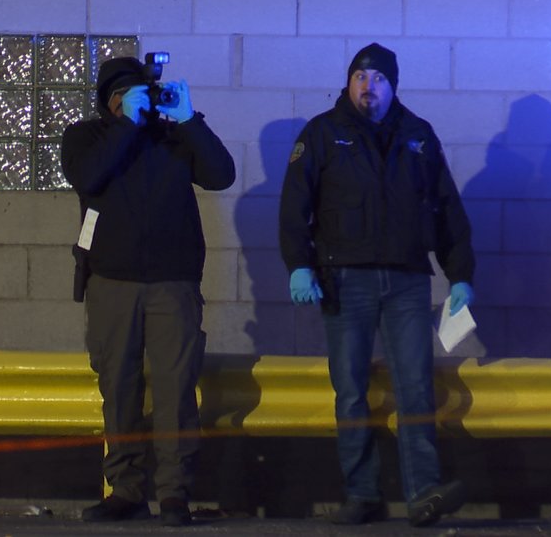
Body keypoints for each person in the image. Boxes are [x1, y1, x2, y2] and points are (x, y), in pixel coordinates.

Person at [279, 42, 475, 528]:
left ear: (393, 85)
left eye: (379, 78)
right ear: (348, 83)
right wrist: (298, 265)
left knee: (415, 388)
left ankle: (423, 493)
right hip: (344, 279)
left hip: (407, 279)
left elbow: (448, 208)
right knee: (350, 390)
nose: (369, 86)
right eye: (360, 77)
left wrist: (461, 275)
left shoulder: (418, 136)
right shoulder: (322, 134)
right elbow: (293, 206)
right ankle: (361, 494)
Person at [60, 56, 235, 527]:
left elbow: (221, 175)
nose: (130, 100)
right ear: (106, 101)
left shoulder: (174, 135)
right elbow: (87, 176)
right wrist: (126, 126)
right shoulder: (86, 137)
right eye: (120, 95)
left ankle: (174, 492)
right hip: (111, 283)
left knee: (176, 390)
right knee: (118, 389)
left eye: (136, 92)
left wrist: (189, 119)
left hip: (172, 283)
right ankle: (126, 490)